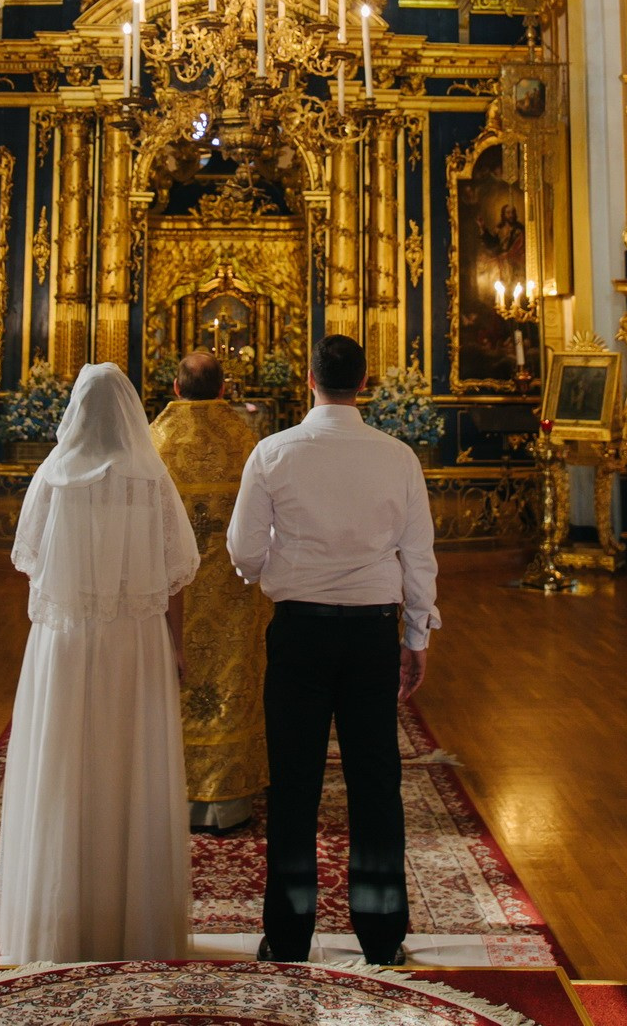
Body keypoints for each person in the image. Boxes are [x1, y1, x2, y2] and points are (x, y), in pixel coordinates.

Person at [226, 334, 440, 966]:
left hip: (299, 631)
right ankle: (381, 936)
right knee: (376, 782)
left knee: (293, 783)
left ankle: (289, 937)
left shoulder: (273, 452)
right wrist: (417, 635)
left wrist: (268, 574)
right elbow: (418, 555)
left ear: (309, 379)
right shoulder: (398, 457)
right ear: (364, 381)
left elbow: (243, 550)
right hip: (374, 631)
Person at [0, 362, 200, 964]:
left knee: (65, 763)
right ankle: (133, 924)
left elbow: (29, 562)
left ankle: (61, 922)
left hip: (67, 641)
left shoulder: (52, 477)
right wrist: (176, 644)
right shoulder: (149, 480)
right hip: (135, 641)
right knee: (128, 763)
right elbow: (175, 573)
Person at [151, 349, 267, 830]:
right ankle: (230, 799)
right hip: (234, 591)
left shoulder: (151, 441)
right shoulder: (248, 440)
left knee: (172, 680)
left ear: (176, 389)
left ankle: (168, 787)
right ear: (224, 389)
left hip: (169, 589)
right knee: (231, 678)